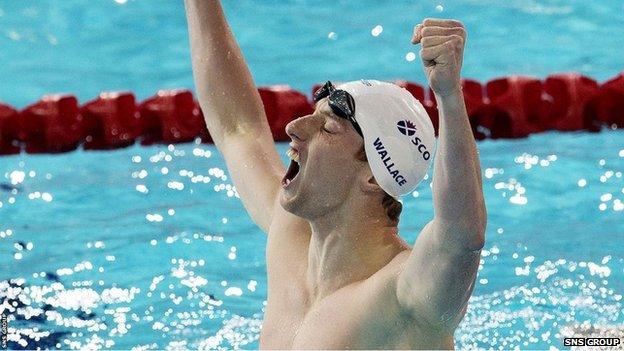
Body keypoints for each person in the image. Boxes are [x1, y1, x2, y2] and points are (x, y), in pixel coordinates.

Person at [185, 1, 486, 349]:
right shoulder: (291, 242)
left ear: (373, 177)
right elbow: (238, 129)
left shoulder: (406, 296)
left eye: (327, 128)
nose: (293, 128)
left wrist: (449, 96)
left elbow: (462, 237)